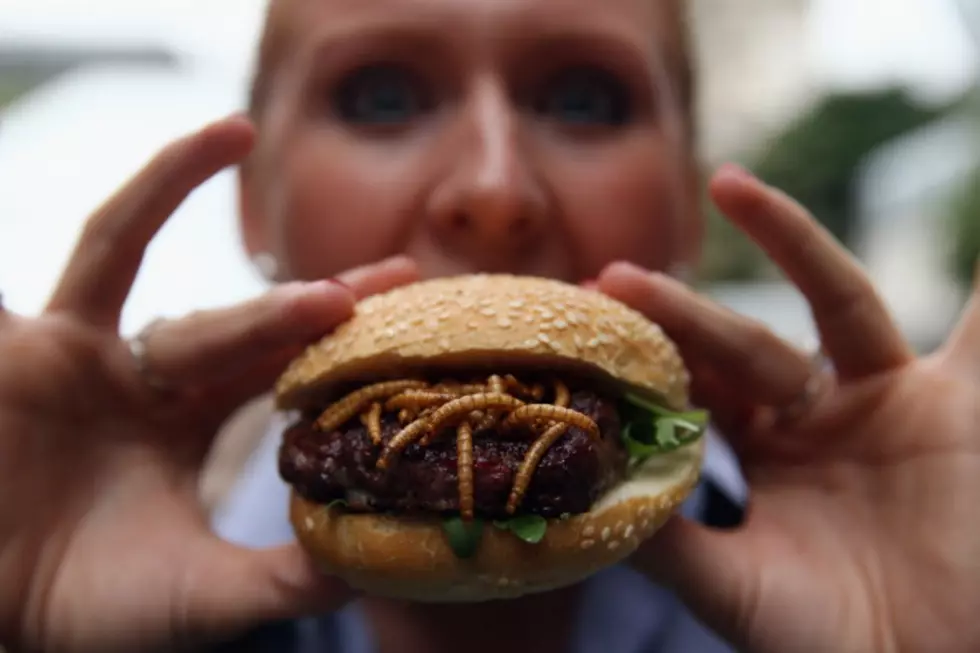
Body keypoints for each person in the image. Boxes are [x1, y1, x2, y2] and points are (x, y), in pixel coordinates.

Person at [0, 0, 979, 651]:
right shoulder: (91, 579)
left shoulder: (879, 561)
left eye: (583, 99)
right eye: (381, 97)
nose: (492, 188)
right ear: (254, 206)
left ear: (686, 199)